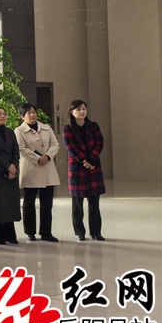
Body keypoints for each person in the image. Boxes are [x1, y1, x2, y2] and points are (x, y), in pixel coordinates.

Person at [15, 103, 60, 243]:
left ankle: (46, 233)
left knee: (47, 203)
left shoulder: (46, 128)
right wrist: (37, 159)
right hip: (31, 170)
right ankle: (30, 232)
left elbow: (55, 144)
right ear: (22, 116)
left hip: (47, 168)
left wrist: (47, 156)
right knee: (29, 203)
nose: (32, 115)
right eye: (28, 113)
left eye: (34, 112)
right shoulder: (19, 131)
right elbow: (21, 149)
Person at [63, 100, 105, 241]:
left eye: (84, 109)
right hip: (77, 167)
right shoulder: (67, 128)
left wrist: (91, 159)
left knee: (94, 203)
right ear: (71, 112)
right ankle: (79, 232)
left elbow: (99, 143)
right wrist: (84, 161)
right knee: (77, 203)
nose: (82, 112)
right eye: (78, 109)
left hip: (93, 166)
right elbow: (70, 147)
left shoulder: (93, 126)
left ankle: (96, 232)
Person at [0, 107, 21, 245]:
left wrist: (14, 166)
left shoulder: (10, 132)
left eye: (4, 114)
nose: (3, 116)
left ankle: (10, 234)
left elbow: (16, 151)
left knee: (10, 202)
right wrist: (7, 166)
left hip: (11, 170)